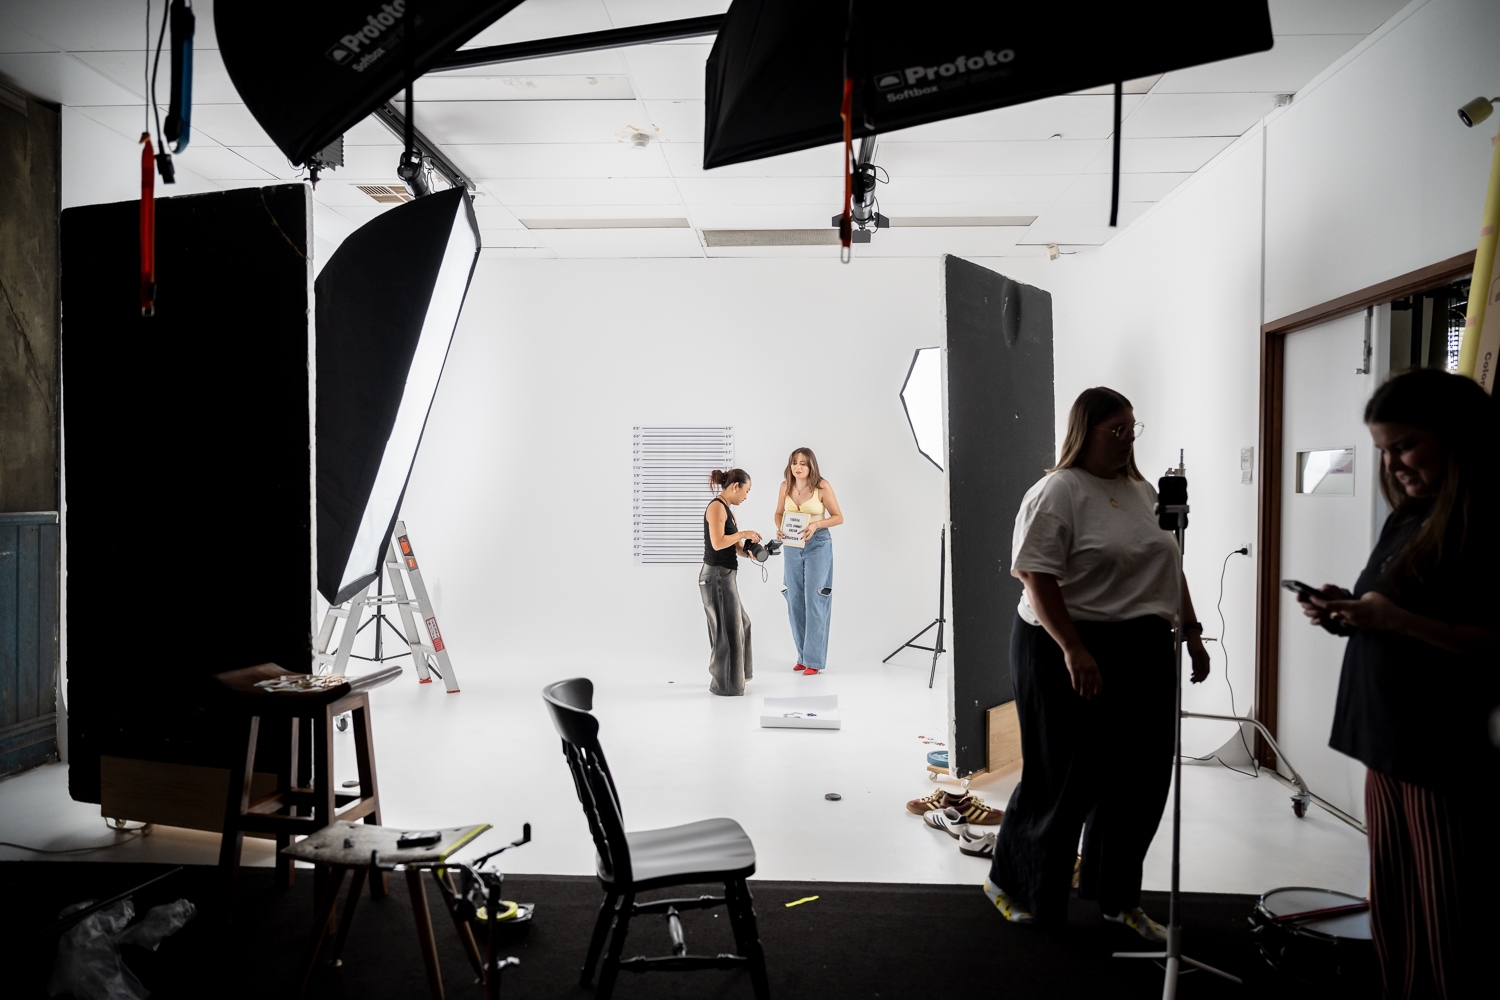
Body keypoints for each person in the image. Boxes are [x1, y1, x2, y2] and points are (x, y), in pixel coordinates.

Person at [1297, 368, 1499, 1000]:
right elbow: (1388, 612)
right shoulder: (1411, 517)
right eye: (1384, 450)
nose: (1394, 464)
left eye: (1405, 445)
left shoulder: (1486, 522)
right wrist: (1345, 612)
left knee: (1448, 923)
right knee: (1394, 909)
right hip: (1383, 737)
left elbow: (1488, 639)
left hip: (1439, 751)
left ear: (1457, 436)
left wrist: (1393, 619)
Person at [985, 387, 1211, 939]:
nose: (1128, 439)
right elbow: (1036, 576)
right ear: (1085, 432)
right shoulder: (1058, 491)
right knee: (1062, 777)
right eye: (1117, 429)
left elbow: (1169, 564)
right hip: (1062, 644)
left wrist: (1192, 631)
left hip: (1142, 646)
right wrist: (1073, 648)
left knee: (1140, 778)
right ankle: (1014, 885)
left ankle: (1118, 898)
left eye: (1133, 428)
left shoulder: (1141, 491)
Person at [774, 448, 844, 676]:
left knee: (814, 599)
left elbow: (838, 517)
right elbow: (778, 513)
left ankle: (814, 660)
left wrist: (816, 524)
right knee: (794, 598)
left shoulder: (822, 486)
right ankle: (802, 656)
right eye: (794, 462)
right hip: (792, 544)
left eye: (803, 463)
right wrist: (780, 527)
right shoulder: (785, 486)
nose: (798, 467)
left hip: (818, 544)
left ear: (811, 465)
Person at [701, 468, 761, 697]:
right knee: (727, 631)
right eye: (746, 490)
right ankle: (725, 685)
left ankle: (737, 677)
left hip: (725, 576)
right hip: (716, 576)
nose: (746, 496)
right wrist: (743, 533)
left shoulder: (728, 511)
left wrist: (750, 552)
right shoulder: (716, 507)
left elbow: (735, 547)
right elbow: (717, 543)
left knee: (742, 624)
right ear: (736, 486)